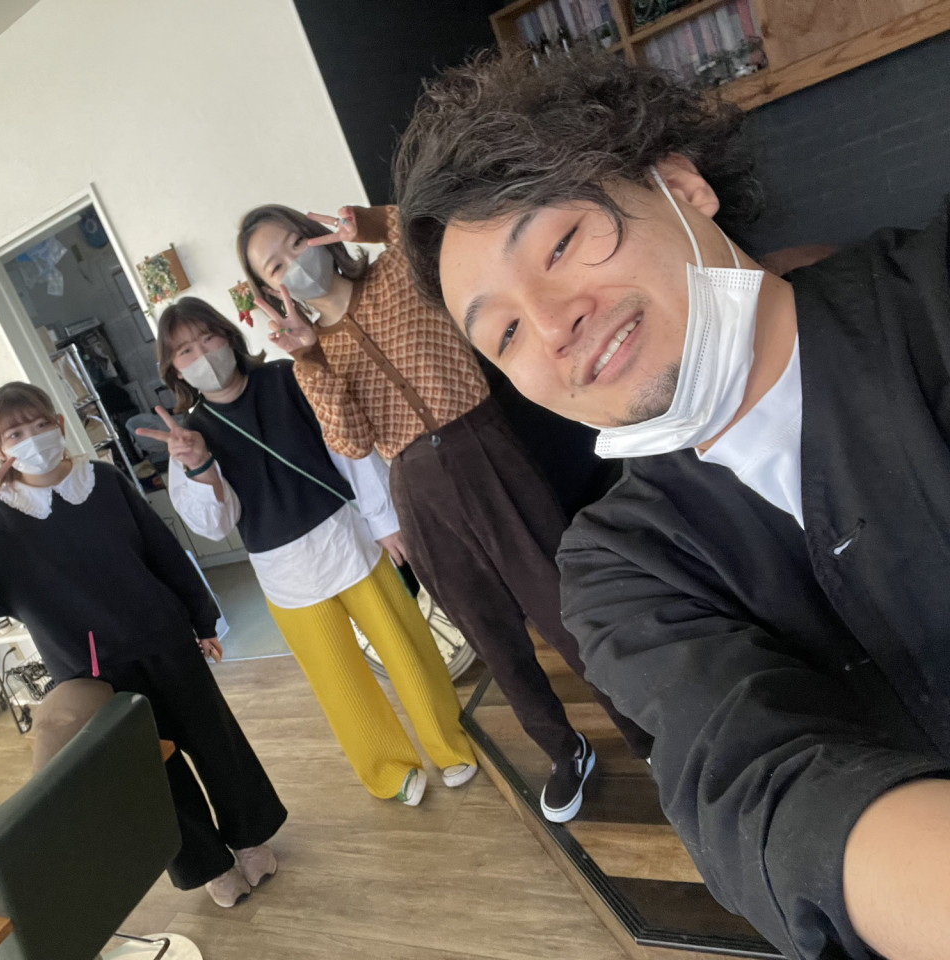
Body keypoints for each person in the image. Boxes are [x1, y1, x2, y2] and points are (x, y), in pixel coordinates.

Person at [393, 47, 950, 960]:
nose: (553, 324)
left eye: (561, 243)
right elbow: (756, 787)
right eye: (505, 332)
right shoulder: (619, 566)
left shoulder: (932, 302)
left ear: (683, 186)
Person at [237, 200, 651, 823]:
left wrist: (366, 223)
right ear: (271, 293)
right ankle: (565, 751)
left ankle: (644, 731)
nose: (294, 262)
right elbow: (351, 442)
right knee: (491, 635)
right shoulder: (312, 357)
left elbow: (423, 225)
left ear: (317, 235)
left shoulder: (394, 274)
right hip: (416, 487)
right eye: (276, 266)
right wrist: (311, 359)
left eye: (296, 242)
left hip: (485, 447)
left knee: (560, 604)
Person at [0, 382, 285, 909]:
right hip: (93, 675)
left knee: (218, 745)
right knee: (152, 771)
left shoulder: (101, 480)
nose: (32, 438)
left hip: (165, 640)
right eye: (15, 433)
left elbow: (162, 551)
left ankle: (251, 838)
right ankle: (208, 865)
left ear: (59, 424)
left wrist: (202, 618)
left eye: (40, 425)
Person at [140, 297, 478, 806]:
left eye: (208, 337)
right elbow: (216, 525)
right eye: (185, 350)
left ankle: (450, 745)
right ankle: (389, 770)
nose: (202, 354)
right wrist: (200, 466)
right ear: (174, 369)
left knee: (408, 650)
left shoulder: (288, 378)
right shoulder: (188, 437)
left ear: (229, 336)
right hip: (285, 573)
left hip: (348, 539)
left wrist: (384, 521)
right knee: (340, 682)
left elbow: (349, 450)